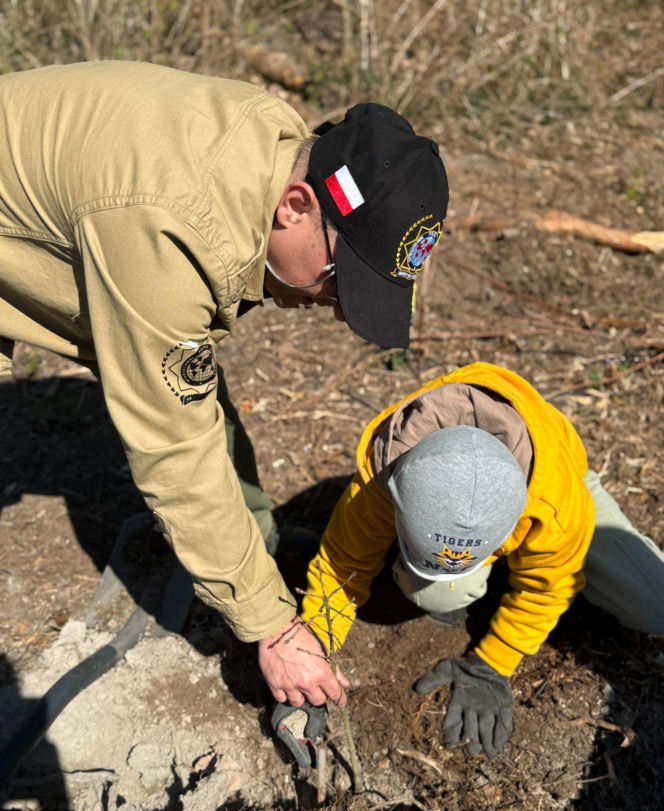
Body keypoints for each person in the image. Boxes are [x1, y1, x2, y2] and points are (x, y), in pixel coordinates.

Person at [0, 61, 449, 704]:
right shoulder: (172, 229)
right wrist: (270, 624)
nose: (338, 308)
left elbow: (189, 372)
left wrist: (253, 547)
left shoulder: (275, 147)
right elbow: (176, 447)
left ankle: (254, 536)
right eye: (340, 280)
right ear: (296, 206)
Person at [291, 362, 664, 758]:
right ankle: (457, 576)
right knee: (440, 595)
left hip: (563, 481)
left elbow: (549, 589)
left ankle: (522, 565)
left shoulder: (555, 509)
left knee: (655, 608)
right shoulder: (387, 475)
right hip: (445, 497)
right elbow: (340, 564)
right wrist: (315, 648)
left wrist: (492, 664)